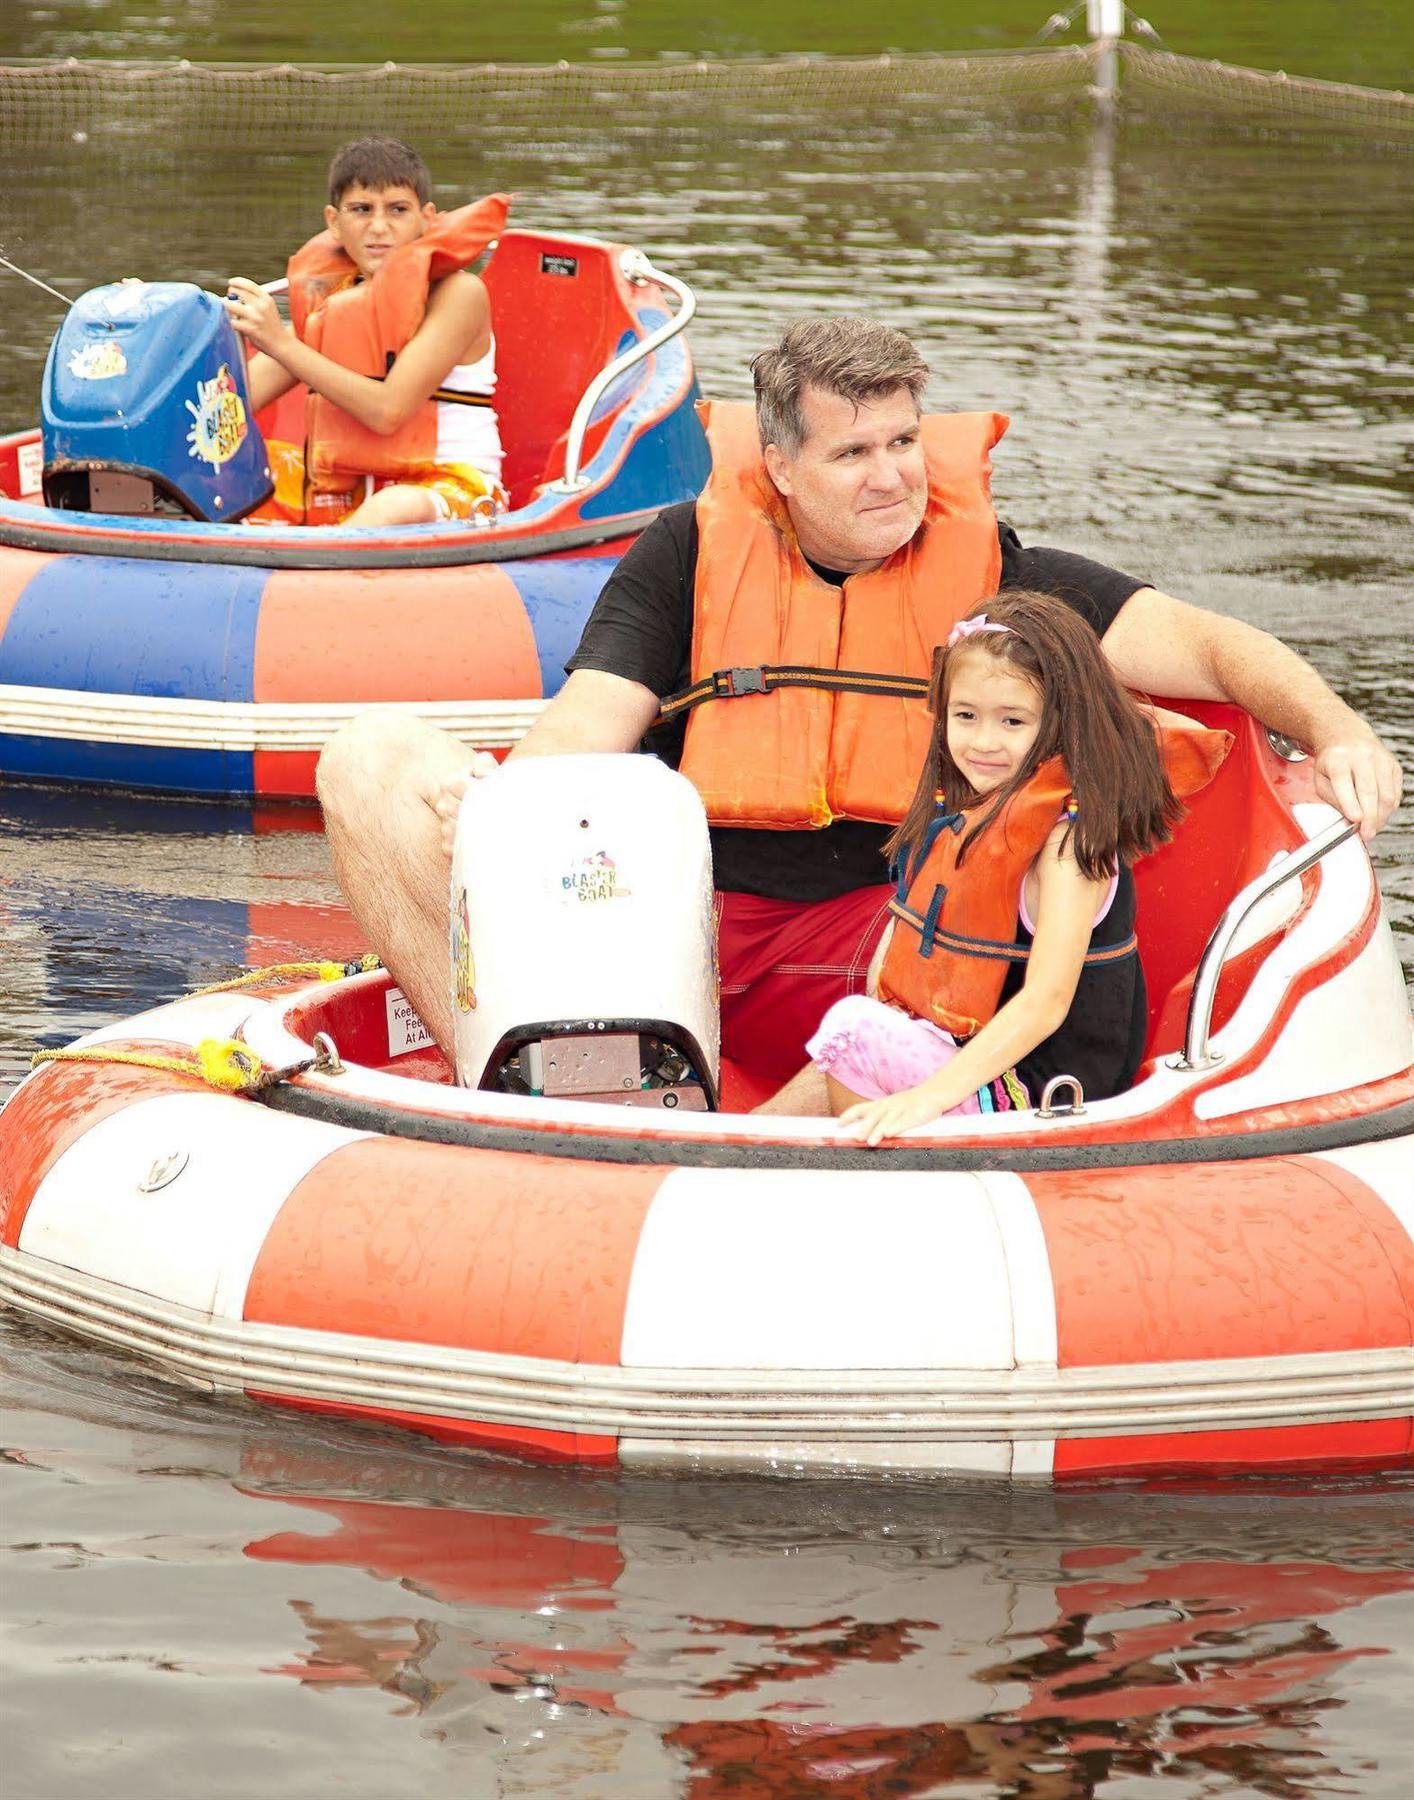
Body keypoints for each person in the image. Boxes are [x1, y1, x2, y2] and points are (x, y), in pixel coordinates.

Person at [316, 317, 1402, 1110]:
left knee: (1023, 893)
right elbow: (588, 724)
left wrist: (1338, 727)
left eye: (902, 442)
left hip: (888, 949)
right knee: (366, 762)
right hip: (679, 937)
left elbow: (1211, 645)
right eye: (853, 453)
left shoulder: (999, 580)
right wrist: (500, 811)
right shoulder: (686, 558)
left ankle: (746, 1126)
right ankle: (507, 1097)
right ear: (779, 467)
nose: (893, 479)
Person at [808, 593, 1229, 1144]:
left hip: (1047, 1098)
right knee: (859, 1020)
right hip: (984, 1067)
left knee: (852, 1032)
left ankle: (874, 1180)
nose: (983, 742)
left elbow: (1046, 1001)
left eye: (1012, 720)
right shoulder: (975, 813)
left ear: (1060, 725)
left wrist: (926, 1099)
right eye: (966, 716)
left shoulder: (1067, 847)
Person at [225, 136, 508, 527]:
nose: (379, 227)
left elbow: (387, 412)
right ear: (334, 222)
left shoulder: (460, 294)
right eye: (361, 209)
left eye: (397, 210)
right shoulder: (334, 302)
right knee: (234, 470)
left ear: (426, 218)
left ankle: (314, 574)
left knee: (394, 506)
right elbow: (235, 406)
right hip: (350, 491)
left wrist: (278, 342)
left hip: (447, 486)